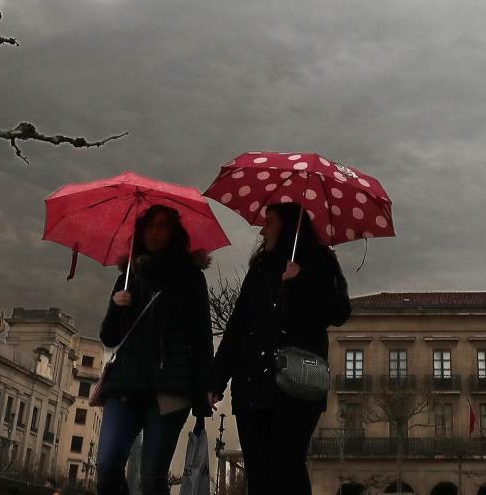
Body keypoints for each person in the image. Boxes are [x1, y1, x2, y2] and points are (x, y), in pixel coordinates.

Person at [209, 203, 351, 494]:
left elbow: (338, 311)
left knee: (288, 467)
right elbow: (238, 326)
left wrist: (302, 280)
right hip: (253, 384)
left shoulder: (321, 262)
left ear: (289, 226)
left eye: (269, 222)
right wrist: (216, 380)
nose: (262, 230)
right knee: (259, 476)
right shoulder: (260, 269)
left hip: (298, 384)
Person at [94, 204, 214, 495]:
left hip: (170, 386)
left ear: (174, 233)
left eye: (162, 226)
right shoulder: (130, 275)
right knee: (107, 464)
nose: (155, 232)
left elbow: (201, 337)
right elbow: (110, 336)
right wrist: (116, 306)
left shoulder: (190, 277)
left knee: (151, 477)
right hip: (127, 382)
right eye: (150, 225)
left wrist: (204, 388)